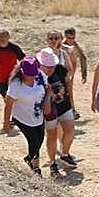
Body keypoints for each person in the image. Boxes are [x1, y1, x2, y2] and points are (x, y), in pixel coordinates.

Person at [7, 56, 53, 175]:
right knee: (33, 141)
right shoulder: (15, 84)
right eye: (29, 74)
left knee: (40, 140)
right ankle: (35, 167)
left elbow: (48, 88)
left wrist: (47, 100)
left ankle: (29, 159)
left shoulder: (40, 76)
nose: (32, 77)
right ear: (22, 72)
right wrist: (6, 123)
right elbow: (8, 104)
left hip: (38, 116)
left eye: (33, 74)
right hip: (22, 118)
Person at [36, 47, 78, 176]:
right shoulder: (36, 75)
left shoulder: (60, 69)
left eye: (51, 66)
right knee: (52, 136)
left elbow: (68, 85)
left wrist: (72, 103)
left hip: (64, 105)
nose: (50, 69)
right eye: (47, 66)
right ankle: (53, 163)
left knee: (70, 129)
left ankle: (64, 154)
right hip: (48, 111)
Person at [0, 29, 25, 133]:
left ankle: (11, 122)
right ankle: (13, 120)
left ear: (8, 37)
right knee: (7, 100)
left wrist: (21, 75)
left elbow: (23, 61)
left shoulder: (15, 48)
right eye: (0, 36)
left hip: (14, 80)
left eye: (4, 36)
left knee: (10, 100)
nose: (2, 38)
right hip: (0, 80)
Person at [44, 30, 76, 97]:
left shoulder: (63, 54)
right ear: (47, 40)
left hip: (61, 88)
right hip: (46, 87)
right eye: (51, 38)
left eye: (56, 38)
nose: (53, 40)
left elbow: (70, 70)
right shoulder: (43, 54)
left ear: (60, 39)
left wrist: (67, 78)